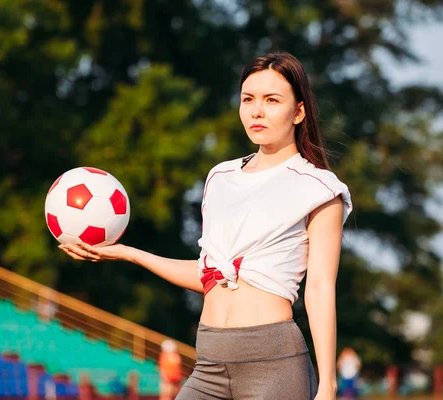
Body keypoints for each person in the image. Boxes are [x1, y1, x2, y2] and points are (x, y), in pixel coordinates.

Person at [59, 51, 353, 400]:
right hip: (209, 359)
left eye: (272, 100)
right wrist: (127, 253)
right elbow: (208, 273)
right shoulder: (220, 177)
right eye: (248, 99)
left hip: (273, 361)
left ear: (299, 111)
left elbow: (319, 288)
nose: (257, 110)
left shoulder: (319, 187)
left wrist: (327, 386)